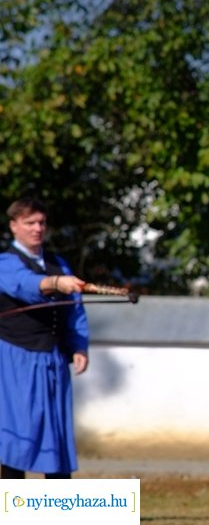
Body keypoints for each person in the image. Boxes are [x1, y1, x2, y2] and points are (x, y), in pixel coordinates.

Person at [0, 198, 88, 479]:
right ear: (14, 226)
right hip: (16, 359)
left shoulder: (58, 264)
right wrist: (54, 283)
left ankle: (57, 501)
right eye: (30, 223)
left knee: (57, 435)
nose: (37, 228)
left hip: (53, 359)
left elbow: (74, 309)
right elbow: (24, 285)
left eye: (41, 223)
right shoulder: (5, 263)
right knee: (18, 435)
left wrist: (79, 345)